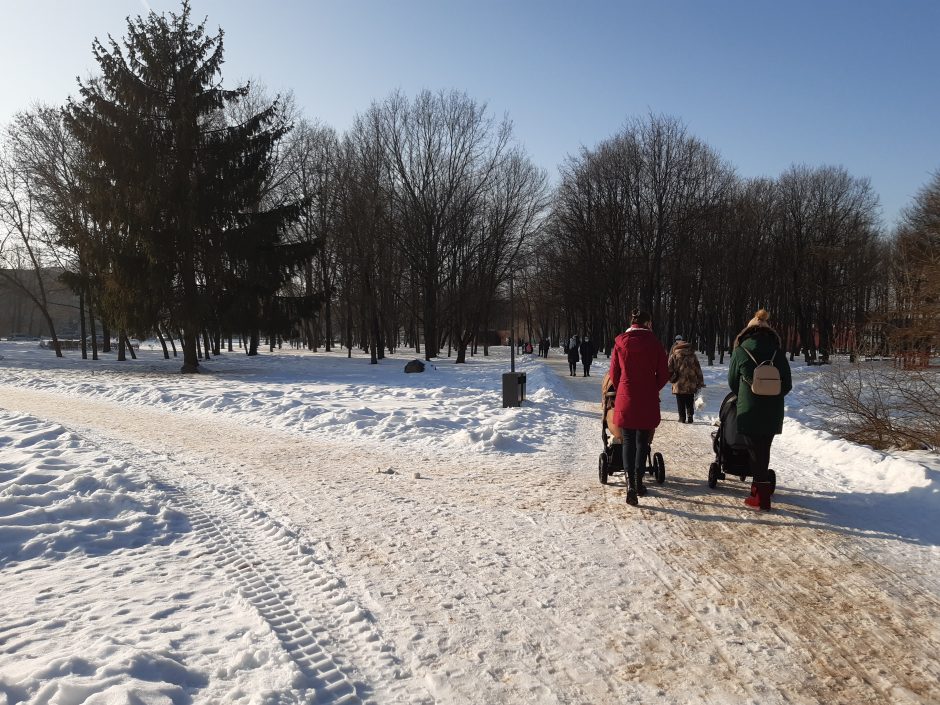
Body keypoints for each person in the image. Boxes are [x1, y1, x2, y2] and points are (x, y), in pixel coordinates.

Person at [728, 309, 792, 511]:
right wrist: (772, 396)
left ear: (748, 332)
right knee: (764, 448)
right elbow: (787, 384)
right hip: (773, 410)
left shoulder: (740, 351)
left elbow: (732, 382)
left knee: (755, 450)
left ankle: (761, 496)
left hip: (749, 407)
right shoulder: (778, 353)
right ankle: (759, 490)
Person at [608, 310, 669, 506]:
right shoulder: (655, 343)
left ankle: (630, 486)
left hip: (626, 395)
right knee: (643, 441)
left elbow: (614, 373)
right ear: (647, 323)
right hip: (647, 398)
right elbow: (664, 373)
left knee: (627, 441)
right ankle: (639, 481)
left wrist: (623, 389)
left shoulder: (620, 343)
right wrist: (653, 388)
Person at [668, 334, 704, 423]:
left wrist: (671, 378)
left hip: (678, 382)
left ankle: (682, 418)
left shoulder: (674, 355)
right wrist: (700, 381)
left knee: (680, 400)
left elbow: (669, 368)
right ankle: (690, 416)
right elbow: (698, 369)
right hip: (691, 382)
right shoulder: (693, 355)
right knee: (689, 399)